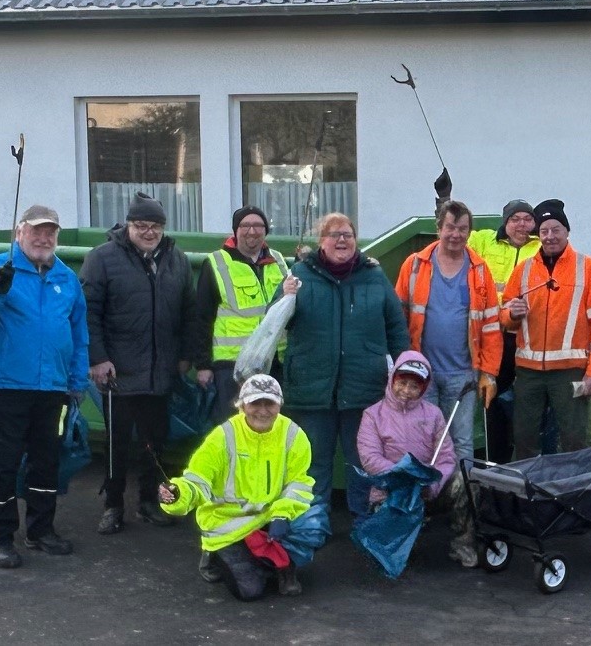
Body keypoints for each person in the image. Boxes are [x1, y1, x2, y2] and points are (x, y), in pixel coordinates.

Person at [0, 205, 89, 569]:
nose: (43, 238)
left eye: (50, 233)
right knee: (4, 462)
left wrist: (76, 381)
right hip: (6, 386)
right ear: (20, 232)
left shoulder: (66, 277)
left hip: (53, 388)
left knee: (46, 461)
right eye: (36, 231)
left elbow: (79, 333)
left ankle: (41, 529)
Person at [277, 213, 410, 520]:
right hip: (312, 389)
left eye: (347, 234)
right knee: (314, 461)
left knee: (361, 459)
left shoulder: (374, 276)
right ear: (321, 241)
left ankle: (362, 519)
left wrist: (403, 368)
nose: (341, 240)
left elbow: (395, 326)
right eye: (333, 234)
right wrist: (284, 297)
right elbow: (276, 322)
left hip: (363, 389)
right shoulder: (300, 274)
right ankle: (313, 523)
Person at [80, 193, 197, 535]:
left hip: (160, 372)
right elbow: (88, 312)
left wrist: (186, 356)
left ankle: (149, 502)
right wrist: (98, 359)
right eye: (141, 225)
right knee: (117, 445)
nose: (149, 232)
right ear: (129, 225)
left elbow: (189, 313)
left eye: (156, 226)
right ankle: (113, 505)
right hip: (118, 372)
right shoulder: (101, 258)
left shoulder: (177, 259)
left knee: (155, 443)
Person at [158, 375, 314, 600]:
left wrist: (282, 514)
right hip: (230, 523)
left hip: (272, 516)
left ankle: (282, 568)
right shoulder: (222, 437)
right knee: (250, 591)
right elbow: (196, 481)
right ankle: (220, 555)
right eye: (255, 403)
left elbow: (299, 483)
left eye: (269, 403)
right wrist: (176, 496)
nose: (262, 411)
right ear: (241, 406)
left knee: (313, 521)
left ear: (279, 404)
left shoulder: (294, 434)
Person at [501, 199, 591, 459]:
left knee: (573, 439)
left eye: (555, 230)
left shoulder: (589, 268)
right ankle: (527, 496)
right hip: (528, 373)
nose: (549, 237)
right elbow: (505, 317)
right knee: (524, 438)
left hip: (570, 371)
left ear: (567, 231)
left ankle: (573, 493)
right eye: (544, 231)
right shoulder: (523, 270)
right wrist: (511, 315)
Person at [395, 200, 502, 465]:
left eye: (463, 229)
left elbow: (491, 326)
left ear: (469, 232)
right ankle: (427, 497)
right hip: (422, 373)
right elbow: (399, 316)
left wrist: (488, 373)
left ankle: (461, 498)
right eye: (450, 227)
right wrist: (403, 363)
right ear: (439, 228)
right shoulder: (415, 265)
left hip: (464, 374)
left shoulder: (479, 270)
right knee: (423, 438)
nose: (456, 234)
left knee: (462, 439)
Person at [356, 352, 478, 568]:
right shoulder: (372, 415)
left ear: (424, 387)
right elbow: (370, 459)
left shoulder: (434, 414)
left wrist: (432, 484)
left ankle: (463, 545)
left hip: (427, 489)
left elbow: (447, 456)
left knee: (468, 479)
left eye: (414, 386)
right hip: (391, 492)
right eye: (402, 383)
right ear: (392, 380)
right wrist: (406, 478)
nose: (406, 391)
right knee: (395, 558)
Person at [191, 205, 289, 422]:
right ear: (235, 230)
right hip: (232, 366)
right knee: (235, 426)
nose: (252, 231)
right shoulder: (217, 262)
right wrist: (203, 365)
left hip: (274, 362)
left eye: (258, 225)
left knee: (272, 425)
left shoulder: (278, 260)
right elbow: (201, 318)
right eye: (245, 225)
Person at [466, 199, 540, 462]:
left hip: (526, 337)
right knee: (493, 397)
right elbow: (453, 234)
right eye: (515, 219)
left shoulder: (541, 246)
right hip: (493, 334)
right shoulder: (485, 240)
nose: (522, 224)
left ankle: (524, 458)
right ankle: (495, 458)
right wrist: (443, 199)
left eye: (527, 219)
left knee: (526, 402)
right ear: (505, 222)